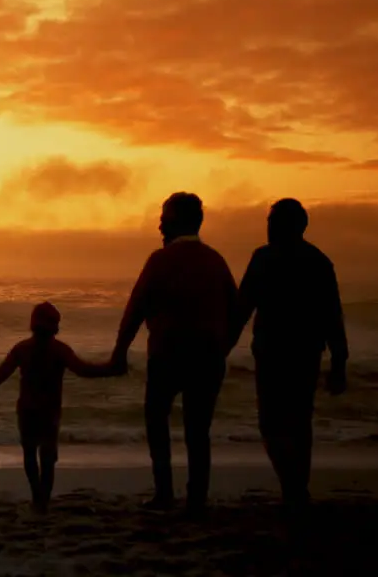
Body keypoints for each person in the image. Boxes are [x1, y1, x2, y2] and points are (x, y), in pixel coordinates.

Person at [110, 192, 238, 516]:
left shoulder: (160, 260)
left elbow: (135, 308)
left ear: (177, 221)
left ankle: (164, 493)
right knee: (198, 430)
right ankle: (197, 498)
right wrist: (223, 345)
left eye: (164, 218)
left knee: (157, 421)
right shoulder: (215, 260)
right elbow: (236, 311)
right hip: (208, 357)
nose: (159, 223)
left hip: (168, 354)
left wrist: (120, 352)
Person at [232, 198, 348, 518]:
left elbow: (242, 309)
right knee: (299, 423)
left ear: (288, 225)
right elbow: (332, 317)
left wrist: (221, 348)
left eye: (273, 221)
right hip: (305, 353)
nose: (268, 227)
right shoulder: (318, 261)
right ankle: (296, 489)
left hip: (273, 353)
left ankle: (293, 489)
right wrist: (339, 361)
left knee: (271, 424)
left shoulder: (264, 259)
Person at [0, 301, 121, 513]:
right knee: (46, 457)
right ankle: (42, 499)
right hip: (46, 410)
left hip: (30, 409)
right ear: (54, 327)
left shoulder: (23, 349)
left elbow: (0, 375)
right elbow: (83, 370)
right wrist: (110, 369)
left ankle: (38, 497)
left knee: (32, 454)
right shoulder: (59, 350)